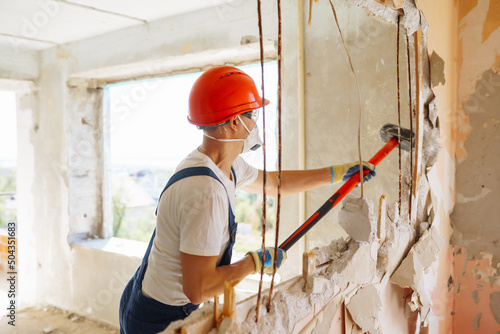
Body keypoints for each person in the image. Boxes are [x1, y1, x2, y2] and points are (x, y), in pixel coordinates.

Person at [118, 65, 375, 333]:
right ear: (233, 122)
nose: (255, 124)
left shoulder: (223, 165)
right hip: (159, 317)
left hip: (145, 293)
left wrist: (338, 173)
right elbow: (199, 289)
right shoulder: (207, 192)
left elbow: (275, 183)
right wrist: (254, 262)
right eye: (252, 115)